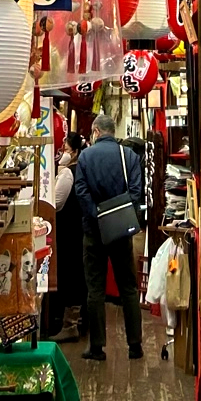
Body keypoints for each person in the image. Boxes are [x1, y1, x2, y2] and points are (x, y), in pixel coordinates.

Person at [71, 113, 144, 362]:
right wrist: (117, 216)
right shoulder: (130, 157)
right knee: (129, 288)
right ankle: (135, 345)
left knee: (95, 289)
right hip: (121, 231)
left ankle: (97, 347)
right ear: (112, 131)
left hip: (93, 230)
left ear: (95, 131)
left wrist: (97, 215)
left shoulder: (85, 157)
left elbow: (80, 191)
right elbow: (136, 192)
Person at [52, 130, 86, 342]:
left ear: (73, 151)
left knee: (69, 273)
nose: (61, 153)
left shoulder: (68, 172)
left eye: (64, 149)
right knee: (77, 272)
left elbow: (56, 203)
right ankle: (76, 320)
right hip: (79, 227)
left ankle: (69, 324)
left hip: (68, 229)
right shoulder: (82, 168)